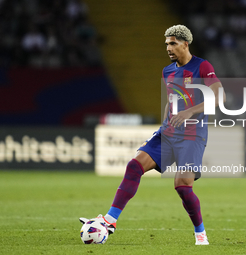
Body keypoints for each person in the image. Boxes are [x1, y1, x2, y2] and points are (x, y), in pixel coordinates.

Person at [80, 24, 225, 245]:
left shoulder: (202, 66)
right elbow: (170, 100)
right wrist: (165, 123)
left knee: (182, 187)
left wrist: (189, 112)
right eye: (166, 43)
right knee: (134, 165)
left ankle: (200, 232)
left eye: (173, 43)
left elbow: (219, 97)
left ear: (185, 44)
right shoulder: (167, 71)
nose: (168, 47)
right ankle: (110, 220)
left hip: (193, 134)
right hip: (168, 133)